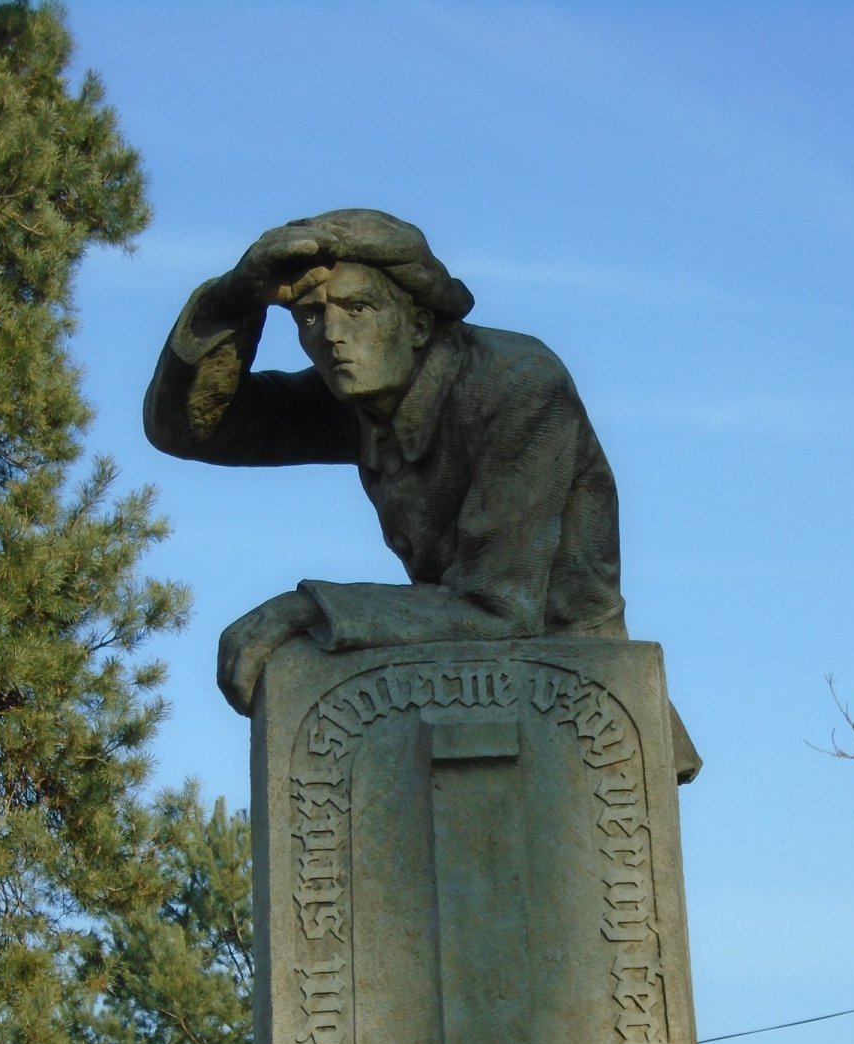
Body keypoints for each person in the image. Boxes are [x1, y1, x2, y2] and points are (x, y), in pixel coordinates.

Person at [144, 208, 699, 780]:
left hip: (574, 696)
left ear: (415, 323)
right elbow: (190, 428)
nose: (332, 335)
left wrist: (305, 605)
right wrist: (236, 298)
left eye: (358, 309)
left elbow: (501, 607)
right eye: (310, 315)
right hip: (462, 676)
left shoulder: (518, 382)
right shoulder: (357, 397)